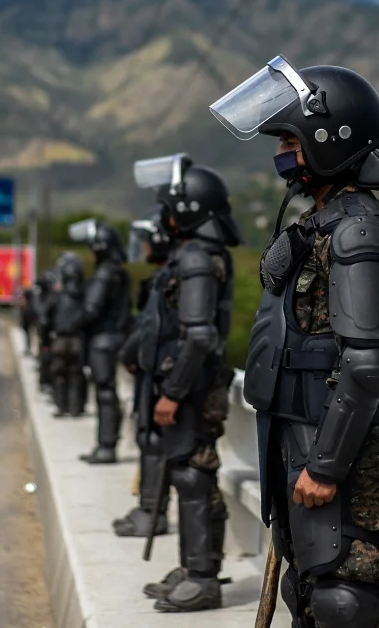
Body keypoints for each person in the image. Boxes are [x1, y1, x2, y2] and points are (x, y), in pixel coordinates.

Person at [209, 57, 379, 628]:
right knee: (305, 588)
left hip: (329, 439)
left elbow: (368, 365)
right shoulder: (322, 222)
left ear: (330, 139)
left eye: (290, 140)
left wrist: (326, 466)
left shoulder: (359, 230)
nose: (282, 153)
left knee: (342, 593)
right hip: (296, 430)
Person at [131, 153, 242, 613]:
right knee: (185, 473)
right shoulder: (194, 254)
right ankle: (192, 568)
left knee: (193, 476)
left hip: (190, 390)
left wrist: (171, 393)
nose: (166, 213)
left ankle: (203, 578)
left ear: (190, 208)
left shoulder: (197, 256)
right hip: (187, 385)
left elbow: (198, 336)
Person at [114, 206, 175, 538]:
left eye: (148, 241)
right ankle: (147, 508)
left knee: (155, 444)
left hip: (163, 376)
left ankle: (153, 512)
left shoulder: (176, 276)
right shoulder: (161, 277)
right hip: (149, 373)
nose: (146, 249)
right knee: (146, 439)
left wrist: (129, 352)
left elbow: (157, 327)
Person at [68, 219, 132, 465]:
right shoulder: (120, 272)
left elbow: (91, 309)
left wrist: (70, 326)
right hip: (116, 337)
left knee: (105, 394)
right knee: (108, 393)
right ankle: (106, 443)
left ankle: (106, 446)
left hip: (102, 341)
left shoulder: (105, 273)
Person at [49, 253, 88, 417]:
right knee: (76, 374)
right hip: (78, 340)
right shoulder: (87, 294)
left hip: (60, 339)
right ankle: (76, 407)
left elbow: (46, 317)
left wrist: (46, 339)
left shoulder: (58, 296)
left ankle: (61, 406)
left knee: (59, 374)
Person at [35, 269, 59, 393]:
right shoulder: (44, 296)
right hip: (47, 332)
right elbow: (41, 313)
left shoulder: (53, 296)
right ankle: (45, 382)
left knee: (50, 358)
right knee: (46, 358)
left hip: (51, 332)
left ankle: (47, 382)